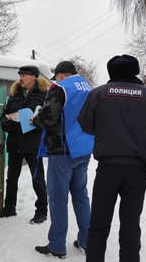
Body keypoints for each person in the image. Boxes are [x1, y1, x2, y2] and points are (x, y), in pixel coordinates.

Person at [77, 54, 146, 262]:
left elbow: (85, 124)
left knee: (98, 226)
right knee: (130, 226)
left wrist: (106, 127)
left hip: (107, 169)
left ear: (111, 72)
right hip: (136, 170)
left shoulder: (98, 94)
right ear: (136, 70)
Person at [31, 61, 94, 259]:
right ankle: (87, 241)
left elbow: (49, 117)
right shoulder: (88, 87)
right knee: (81, 196)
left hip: (62, 150)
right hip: (83, 149)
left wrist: (36, 119)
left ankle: (57, 246)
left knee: (58, 199)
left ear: (59, 75)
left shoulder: (60, 88)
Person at [0, 65, 49, 224]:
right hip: (15, 141)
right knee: (11, 178)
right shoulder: (14, 95)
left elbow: (48, 118)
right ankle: (9, 208)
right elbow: (6, 115)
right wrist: (6, 123)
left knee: (37, 178)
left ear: (33, 77)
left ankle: (41, 211)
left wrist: (37, 122)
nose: (20, 78)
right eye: (20, 75)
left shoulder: (44, 95)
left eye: (24, 75)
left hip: (33, 143)